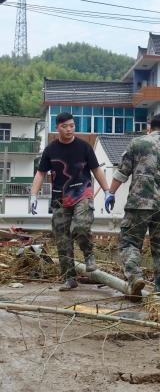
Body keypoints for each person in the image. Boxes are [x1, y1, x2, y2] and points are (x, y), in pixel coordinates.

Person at [105, 113, 160, 298]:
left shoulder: (137, 143)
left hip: (138, 204)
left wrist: (110, 193)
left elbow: (122, 173)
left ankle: (135, 276)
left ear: (149, 127)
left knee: (129, 242)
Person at [29, 113, 111, 291]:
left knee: (81, 226)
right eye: (65, 126)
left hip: (83, 193)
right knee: (62, 239)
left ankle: (89, 255)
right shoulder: (51, 149)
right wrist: (33, 195)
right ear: (57, 127)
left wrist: (107, 191)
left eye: (72, 126)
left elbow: (96, 169)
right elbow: (41, 173)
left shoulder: (84, 147)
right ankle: (69, 277)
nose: (69, 129)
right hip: (60, 198)